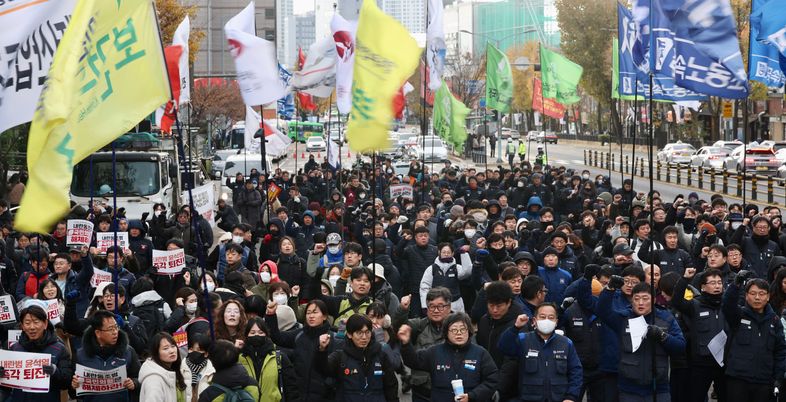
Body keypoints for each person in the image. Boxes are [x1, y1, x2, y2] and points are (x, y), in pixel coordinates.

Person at [598, 281, 686, 401]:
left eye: (645, 298)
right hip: (628, 389)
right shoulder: (624, 319)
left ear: (654, 300)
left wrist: (662, 336)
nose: (640, 303)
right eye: (636, 299)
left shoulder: (666, 318)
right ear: (631, 300)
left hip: (658, 389)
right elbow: (603, 312)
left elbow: (680, 347)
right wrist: (609, 289)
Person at [497, 302, 583, 402]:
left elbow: (576, 371)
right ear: (534, 320)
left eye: (551, 317)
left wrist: (571, 397)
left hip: (558, 398)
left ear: (556, 322)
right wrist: (515, 328)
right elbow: (504, 347)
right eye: (542, 317)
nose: (546, 320)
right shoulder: (523, 339)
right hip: (529, 398)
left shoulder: (566, 343)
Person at [723, 272, 786, 401]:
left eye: (762, 294)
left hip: (764, 381)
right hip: (738, 380)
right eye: (753, 293)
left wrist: (778, 378)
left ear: (768, 297)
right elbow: (727, 305)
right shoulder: (739, 315)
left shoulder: (774, 321)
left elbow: (780, 351)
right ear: (746, 296)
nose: (757, 297)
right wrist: (736, 284)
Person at [265, 299, 340, 401]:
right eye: (308, 313)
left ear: (325, 316)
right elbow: (277, 337)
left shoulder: (333, 338)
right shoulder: (299, 334)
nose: (311, 316)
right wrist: (271, 314)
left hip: (324, 395)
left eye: (315, 312)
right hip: (299, 394)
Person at [672, 267, 728, 402]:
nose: (717, 286)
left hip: (724, 363)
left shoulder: (727, 305)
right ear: (703, 287)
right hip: (701, 364)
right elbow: (677, 301)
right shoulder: (695, 305)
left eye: (719, 282)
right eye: (713, 283)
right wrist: (685, 279)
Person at [316, 314, 399, 402]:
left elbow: (391, 385)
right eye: (359, 333)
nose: (364, 337)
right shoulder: (340, 356)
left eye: (367, 332)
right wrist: (321, 350)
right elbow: (323, 369)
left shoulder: (381, 355)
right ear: (349, 334)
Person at [7, 306, 73, 402]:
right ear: (22, 326)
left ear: (45, 324)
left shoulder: (59, 349)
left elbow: (67, 382)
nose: (32, 327)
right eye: (27, 323)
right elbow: (6, 386)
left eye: (36, 322)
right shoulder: (15, 348)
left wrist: (55, 372)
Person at [72, 310, 141, 402]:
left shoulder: (128, 352)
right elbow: (72, 392)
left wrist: (134, 383)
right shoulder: (81, 355)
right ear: (98, 333)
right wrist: (74, 385)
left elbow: (140, 379)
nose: (115, 332)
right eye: (110, 329)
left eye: (116, 327)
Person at [237, 316, 299, 401]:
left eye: (260, 332)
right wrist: (234, 350)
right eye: (252, 332)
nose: (256, 335)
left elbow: (291, 389)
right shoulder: (239, 358)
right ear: (246, 335)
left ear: (266, 334)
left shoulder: (279, 357)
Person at [418, 243, 472, 313]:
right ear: (439, 252)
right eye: (444, 252)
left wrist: (464, 254)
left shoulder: (456, 267)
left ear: (452, 253)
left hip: (455, 303)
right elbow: (424, 287)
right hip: (437, 305)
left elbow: (467, 272)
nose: (446, 254)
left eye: (448, 252)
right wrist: (425, 305)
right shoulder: (432, 268)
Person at [139, 332, 190, 402]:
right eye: (165, 348)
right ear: (156, 353)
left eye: (173, 346)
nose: (172, 351)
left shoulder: (176, 370)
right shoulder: (153, 380)